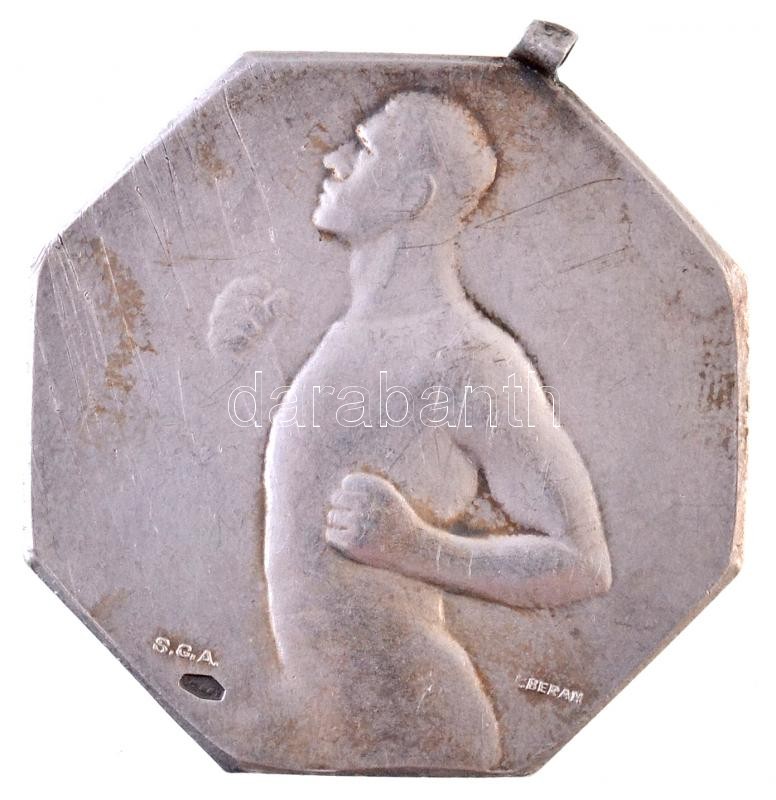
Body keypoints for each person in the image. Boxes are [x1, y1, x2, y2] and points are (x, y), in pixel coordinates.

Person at [262, 91, 611, 771]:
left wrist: (415, 548)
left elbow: (583, 564)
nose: (332, 158)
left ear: (412, 195)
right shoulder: (348, 336)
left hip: (420, 724)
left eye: (363, 149)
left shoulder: (469, 358)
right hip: (326, 727)